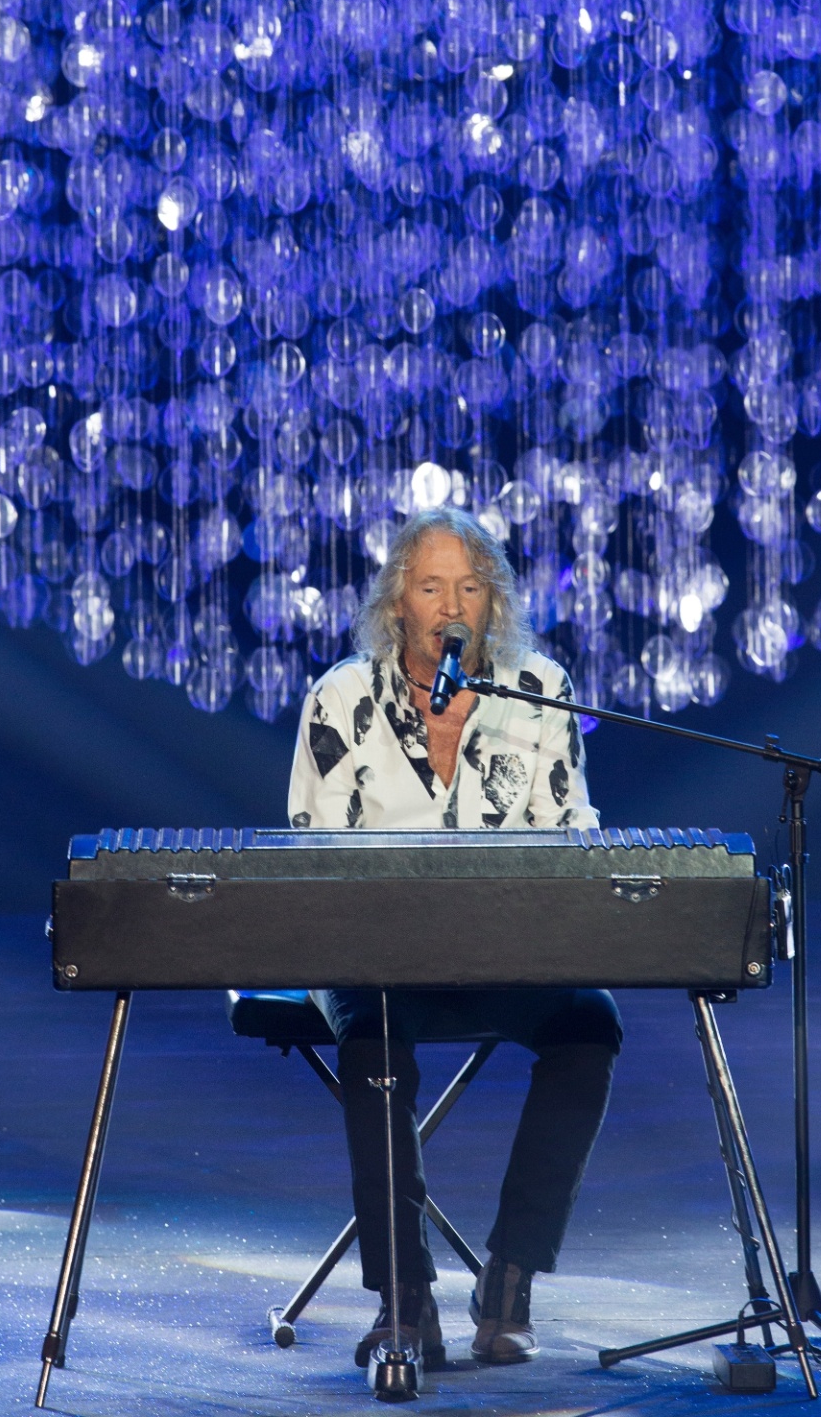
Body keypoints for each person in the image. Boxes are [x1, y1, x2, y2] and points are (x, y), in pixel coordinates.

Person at [288, 506, 621, 1369]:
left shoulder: (538, 689)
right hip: (376, 961)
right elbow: (309, 849)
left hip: (506, 951)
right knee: (374, 1040)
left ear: (493, 603)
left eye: (468, 587)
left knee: (590, 1025)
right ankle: (404, 1303)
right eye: (431, 585)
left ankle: (509, 1279)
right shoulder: (339, 698)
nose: (450, 606)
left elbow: (570, 828)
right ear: (398, 600)